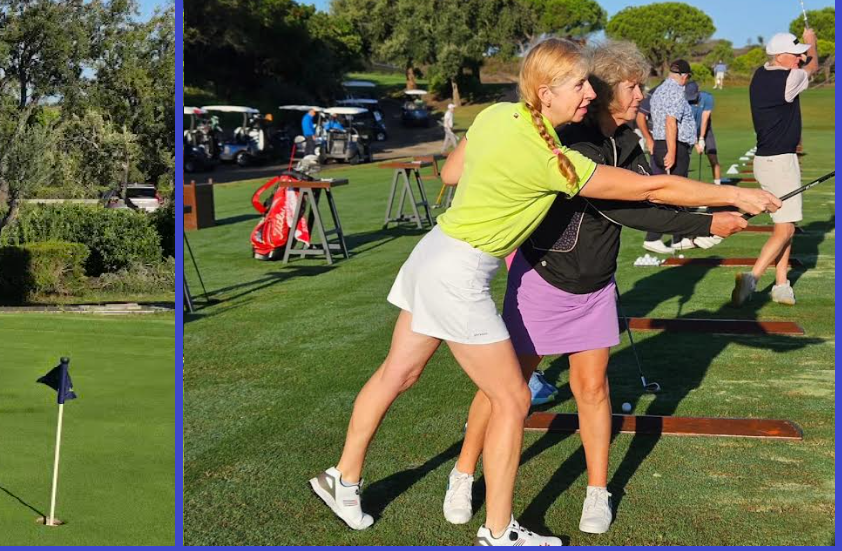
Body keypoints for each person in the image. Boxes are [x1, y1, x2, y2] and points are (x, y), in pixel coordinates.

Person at [311, 39, 774, 546]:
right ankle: (498, 530)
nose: (587, 94)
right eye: (579, 85)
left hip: (432, 251)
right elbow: (651, 190)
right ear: (545, 91)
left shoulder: (496, 115)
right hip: (457, 272)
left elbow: (450, 172)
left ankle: (343, 478)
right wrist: (732, 193)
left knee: (399, 373)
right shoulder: (554, 162)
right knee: (511, 400)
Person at [441, 41, 744, 537]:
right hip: (543, 279)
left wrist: (707, 214)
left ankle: (596, 491)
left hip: (596, 286)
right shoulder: (574, 143)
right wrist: (708, 219)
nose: (641, 96)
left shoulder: (625, 140)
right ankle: (462, 474)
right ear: (605, 91)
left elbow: (653, 185)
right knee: (503, 392)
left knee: (593, 389)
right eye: (633, 87)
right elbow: (630, 207)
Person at [738, 29, 818, 305]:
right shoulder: (789, 77)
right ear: (782, 56)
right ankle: (753, 277)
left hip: (766, 160)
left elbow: (798, 63)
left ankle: (782, 283)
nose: (801, 58)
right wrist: (814, 44)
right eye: (796, 54)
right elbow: (814, 66)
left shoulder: (761, 73)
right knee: (785, 229)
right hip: (781, 162)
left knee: (786, 224)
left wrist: (802, 46)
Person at [638, 61, 699, 253]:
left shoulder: (660, 90)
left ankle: (678, 238)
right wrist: (672, 152)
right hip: (672, 145)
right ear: (683, 75)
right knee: (674, 193)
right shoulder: (675, 91)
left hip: (662, 143)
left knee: (674, 193)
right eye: (687, 77)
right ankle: (654, 237)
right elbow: (670, 122)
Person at [695, 87, 719, 182]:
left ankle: (718, 187)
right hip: (689, 130)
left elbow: (705, 119)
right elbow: (687, 124)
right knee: (683, 158)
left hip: (707, 131)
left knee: (713, 158)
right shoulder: (684, 98)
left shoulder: (707, 98)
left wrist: (701, 138)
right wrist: (696, 143)